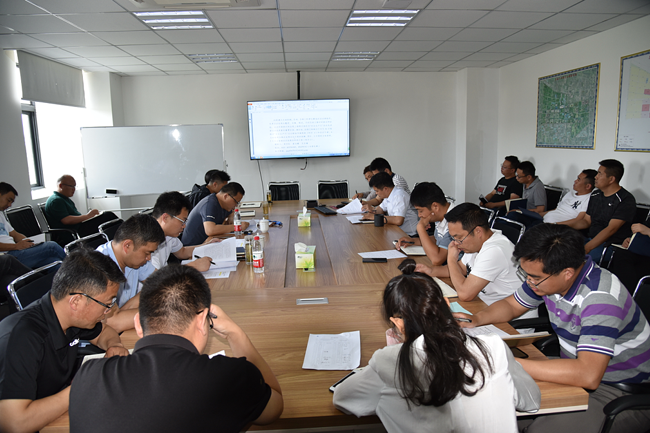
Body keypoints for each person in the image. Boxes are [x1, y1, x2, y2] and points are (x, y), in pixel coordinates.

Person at [453, 224, 650, 433]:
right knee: (489, 408)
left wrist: (506, 361)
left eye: (535, 277)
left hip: (619, 390)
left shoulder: (600, 298)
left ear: (567, 273)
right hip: (574, 369)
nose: (529, 282)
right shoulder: (548, 277)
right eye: (526, 274)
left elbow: (589, 375)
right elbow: (512, 305)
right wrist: (477, 319)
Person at [333, 259, 540, 433]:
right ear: (447, 305)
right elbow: (531, 401)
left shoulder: (388, 361)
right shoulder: (493, 347)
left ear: (397, 323)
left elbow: (343, 399)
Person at [69, 264, 284, 433]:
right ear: (202, 321)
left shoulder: (87, 377)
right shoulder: (228, 377)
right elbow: (274, 408)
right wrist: (235, 334)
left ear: (138, 324)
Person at [0, 249, 129, 433]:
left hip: (57, 407)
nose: (107, 311)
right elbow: (14, 423)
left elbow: (104, 332)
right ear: (76, 301)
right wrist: (80, 387)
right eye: (107, 304)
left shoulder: (69, 316)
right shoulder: (21, 338)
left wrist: (114, 345)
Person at [415, 203, 536, 320]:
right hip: (484, 306)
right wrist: (431, 271)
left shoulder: (495, 250)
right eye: (453, 238)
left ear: (478, 231)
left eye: (459, 238)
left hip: (509, 320)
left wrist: (451, 259)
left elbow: (465, 294)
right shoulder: (476, 243)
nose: (455, 243)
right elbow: (461, 268)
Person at [97, 213, 165, 333]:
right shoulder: (99, 267)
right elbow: (113, 323)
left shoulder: (134, 259)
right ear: (127, 245)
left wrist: (126, 309)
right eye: (147, 253)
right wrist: (162, 311)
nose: (149, 258)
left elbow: (161, 284)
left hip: (125, 328)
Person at [573, 159, 636, 263]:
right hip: (589, 239)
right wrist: (559, 226)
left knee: (575, 261)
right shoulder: (595, 194)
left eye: (600, 174)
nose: (595, 177)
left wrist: (587, 248)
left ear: (611, 179)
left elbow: (611, 229)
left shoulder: (625, 199)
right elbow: (586, 221)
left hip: (608, 245)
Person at [0, 182, 66, 269]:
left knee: (54, 262)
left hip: (16, 252)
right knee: (52, 247)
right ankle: (79, 269)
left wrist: (29, 243)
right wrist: (16, 246)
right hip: (7, 257)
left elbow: (15, 234)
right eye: (9, 200)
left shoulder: (0, 214)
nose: (9, 205)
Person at [511, 169, 596, 228]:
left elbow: (578, 220)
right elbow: (556, 210)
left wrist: (555, 225)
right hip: (544, 220)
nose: (575, 181)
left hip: (555, 227)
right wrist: (531, 213)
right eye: (577, 178)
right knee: (514, 215)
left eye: (579, 180)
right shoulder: (570, 193)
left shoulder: (589, 199)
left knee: (528, 231)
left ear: (588, 186)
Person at [151, 191, 213, 271]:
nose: (184, 226)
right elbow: (156, 277)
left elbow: (182, 252)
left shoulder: (169, 235)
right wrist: (192, 266)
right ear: (165, 218)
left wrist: (207, 245)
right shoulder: (148, 241)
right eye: (182, 221)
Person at [395, 182, 454, 266]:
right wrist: (413, 241)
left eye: (421, 211)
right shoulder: (440, 216)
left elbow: (437, 259)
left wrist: (420, 228)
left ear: (435, 206)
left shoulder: (454, 221)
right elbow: (438, 240)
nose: (419, 215)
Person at [44, 175, 117, 238]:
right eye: (71, 186)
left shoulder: (64, 199)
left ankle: (118, 239)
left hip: (78, 227)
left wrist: (90, 216)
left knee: (107, 219)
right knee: (108, 216)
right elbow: (66, 220)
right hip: (73, 232)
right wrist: (87, 216)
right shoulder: (56, 200)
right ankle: (121, 238)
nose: (74, 189)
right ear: (60, 186)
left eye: (74, 186)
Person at [181, 182, 249, 246]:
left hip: (208, 241)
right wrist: (236, 227)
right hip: (193, 246)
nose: (236, 205)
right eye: (236, 202)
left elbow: (231, 212)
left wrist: (231, 216)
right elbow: (210, 230)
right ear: (226, 196)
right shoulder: (210, 204)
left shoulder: (224, 204)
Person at [361, 172, 418, 236]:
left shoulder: (400, 196)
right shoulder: (388, 195)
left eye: (377, 191)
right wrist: (372, 210)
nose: (376, 193)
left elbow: (398, 220)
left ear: (385, 189)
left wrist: (375, 217)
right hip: (395, 231)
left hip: (408, 235)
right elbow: (380, 209)